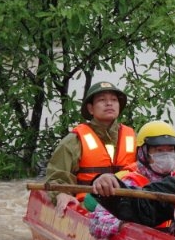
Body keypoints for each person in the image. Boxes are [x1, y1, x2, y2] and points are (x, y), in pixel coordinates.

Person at [45, 81, 136, 216]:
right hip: (89, 205)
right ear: (90, 109)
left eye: (114, 100)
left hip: (126, 204)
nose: (109, 103)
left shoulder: (133, 136)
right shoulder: (74, 140)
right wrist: (61, 194)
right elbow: (57, 177)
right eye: (102, 100)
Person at [89, 121, 175, 239]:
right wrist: (125, 226)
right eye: (159, 150)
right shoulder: (129, 183)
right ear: (143, 153)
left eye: (170, 150)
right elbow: (97, 222)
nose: (166, 156)